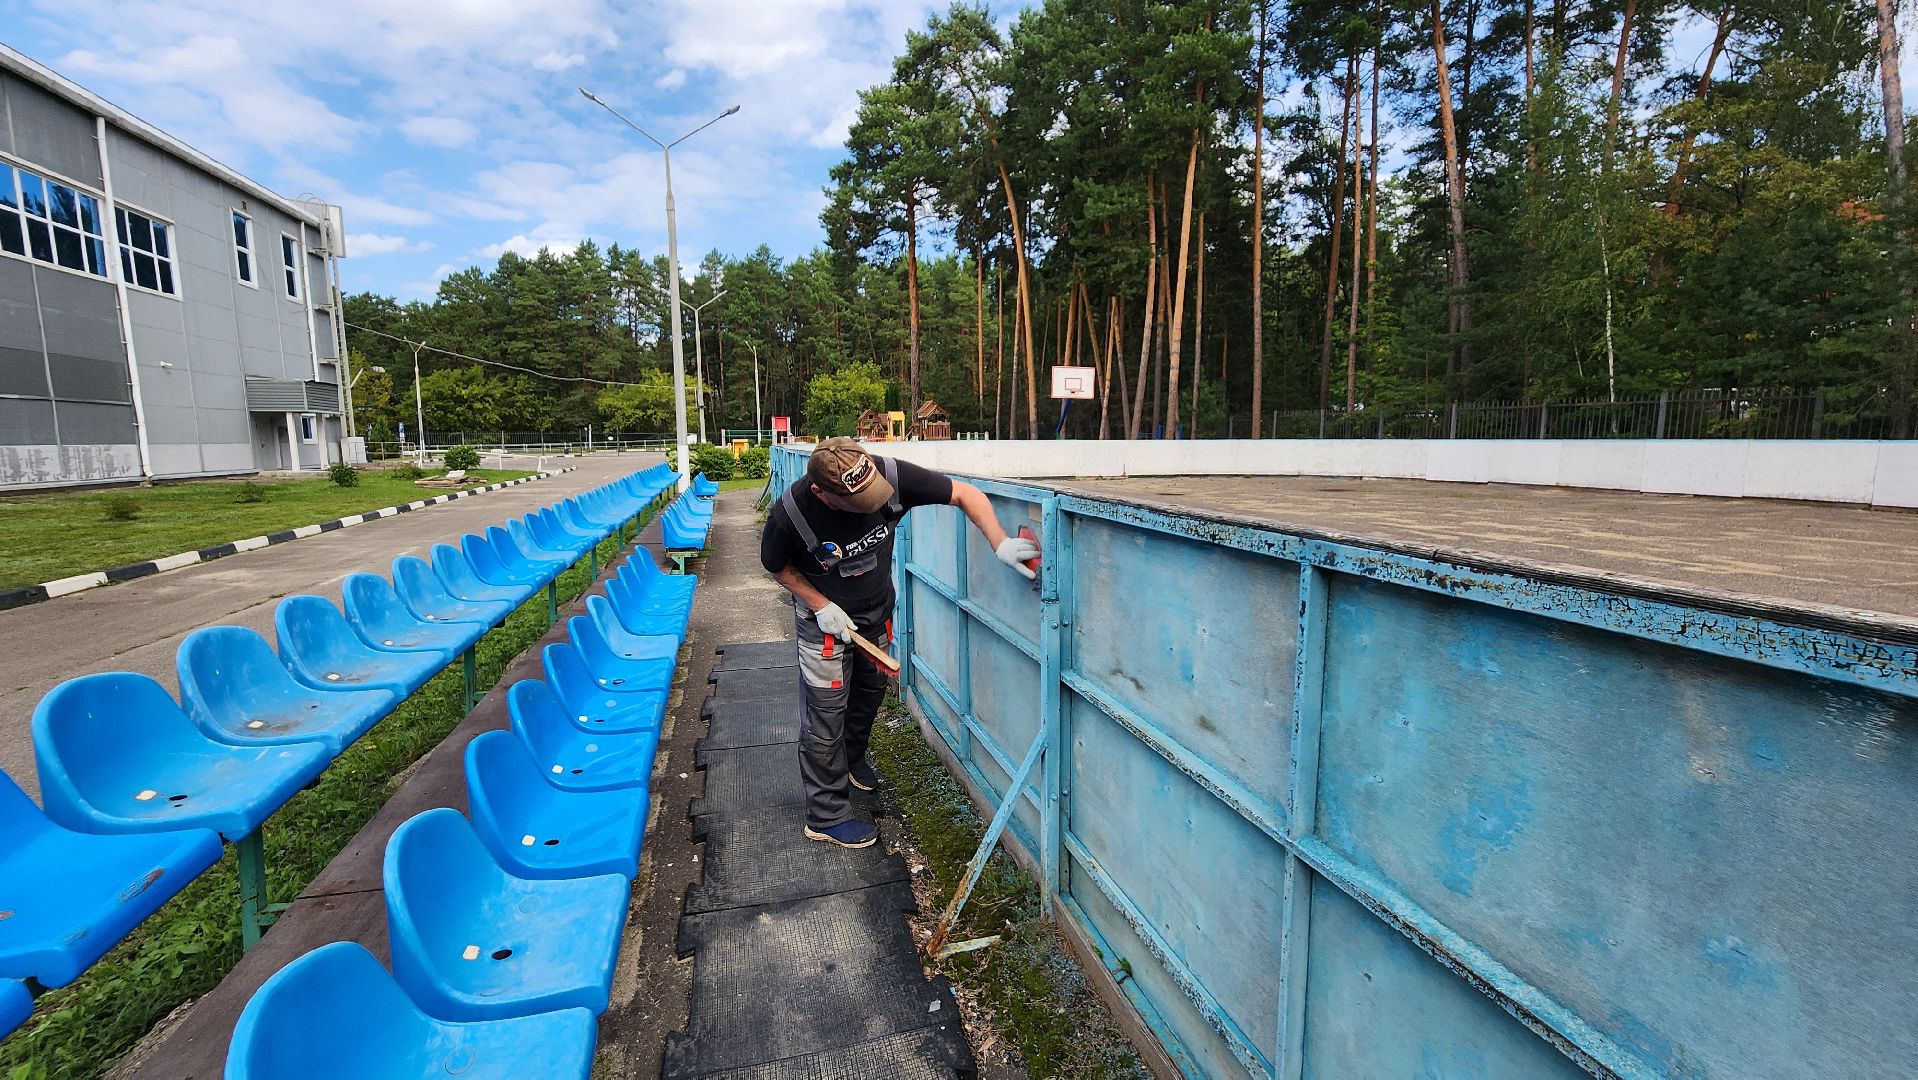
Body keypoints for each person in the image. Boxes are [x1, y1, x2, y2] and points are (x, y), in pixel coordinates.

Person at [761, 437, 1039, 848]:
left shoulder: (890, 475)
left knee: (871, 692)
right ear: (822, 493)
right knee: (825, 717)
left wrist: (999, 542)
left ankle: (853, 759)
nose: (874, 505)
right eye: (859, 502)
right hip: (826, 626)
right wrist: (820, 605)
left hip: (875, 613)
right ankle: (826, 815)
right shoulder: (792, 514)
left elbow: (963, 493)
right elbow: (777, 567)